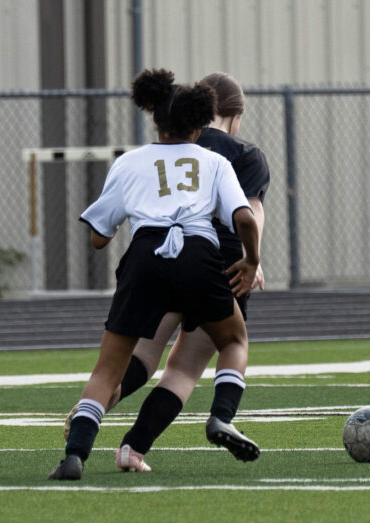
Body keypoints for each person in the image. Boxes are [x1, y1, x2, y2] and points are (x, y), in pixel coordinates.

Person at [49, 68, 260, 480]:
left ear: (155, 120)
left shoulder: (129, 162)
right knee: (234, 340)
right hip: (199, 256)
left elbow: (98, 237)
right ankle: (221, 416)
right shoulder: (215, 162)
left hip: (146, 256)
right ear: (198, 124)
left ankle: (75, 456)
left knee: (108, 369)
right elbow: (245, 219)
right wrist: (251, 261)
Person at [110, 72, 269, 472]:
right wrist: (253, 259)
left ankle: (93, 406)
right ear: (236, 115)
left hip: (163, 257)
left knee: (142, 356)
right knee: (185, 367)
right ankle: (148, 443)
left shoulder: (169, 145)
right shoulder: (244, 154)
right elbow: (250, 213)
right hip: (221, 266)